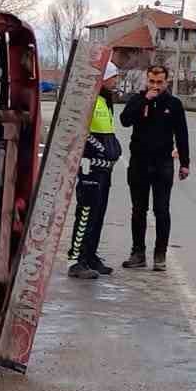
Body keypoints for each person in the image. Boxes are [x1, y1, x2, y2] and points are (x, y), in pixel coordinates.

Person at [119, 63, 190, 271]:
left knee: (162, 210)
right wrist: (144, 101)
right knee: (138, 210)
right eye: (152, 81)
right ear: (146, 80)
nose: (155, 86)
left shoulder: (174, 104)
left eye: (159, 82)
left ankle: (160, 255)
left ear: (166, 82)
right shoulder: (137, 100)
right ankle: (138, 253)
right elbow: (124, 121)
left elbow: (182, 135)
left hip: (163, 164)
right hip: (139, 163)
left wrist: (185, 163)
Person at [68, 62, 123, 280]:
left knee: (98, 213)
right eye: (114, 76)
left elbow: (106, 132)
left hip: (104, 169)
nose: (116, 80)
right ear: (103, 78)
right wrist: (100, 150)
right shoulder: (89, 101)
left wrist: (113, 149)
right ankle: (76, 259)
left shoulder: (104, 101)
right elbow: (81, 131)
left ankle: (90, 256)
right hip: (91, 168)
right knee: (86, 212)